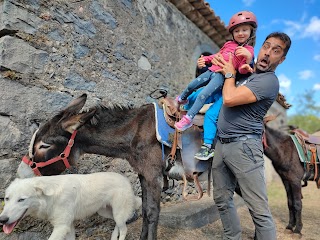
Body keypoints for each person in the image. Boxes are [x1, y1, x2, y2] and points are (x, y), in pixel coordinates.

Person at [210, 32, 291, 240]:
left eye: (276, 51)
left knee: (259, 211)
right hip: (223, 144)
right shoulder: (250, 75)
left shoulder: (268, 82)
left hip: (244, 147)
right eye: (266, 46)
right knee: (222, 199)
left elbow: (229, 98)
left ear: (281, 60)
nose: (267, 53)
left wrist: (229, 74)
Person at [174, 10, 257, 143]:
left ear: (251, 32)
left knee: (208, 107)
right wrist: (205, 60)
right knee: (194, 89)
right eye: (237, 31)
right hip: (214, 73)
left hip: (227, 86)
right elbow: (217, 57)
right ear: (232, 33)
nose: (240, 33)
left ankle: (201, 135)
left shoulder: (249, 51)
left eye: (244, 30)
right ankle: (182, 103)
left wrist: (247, 61)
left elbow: (241, 71)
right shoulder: (228, 44)